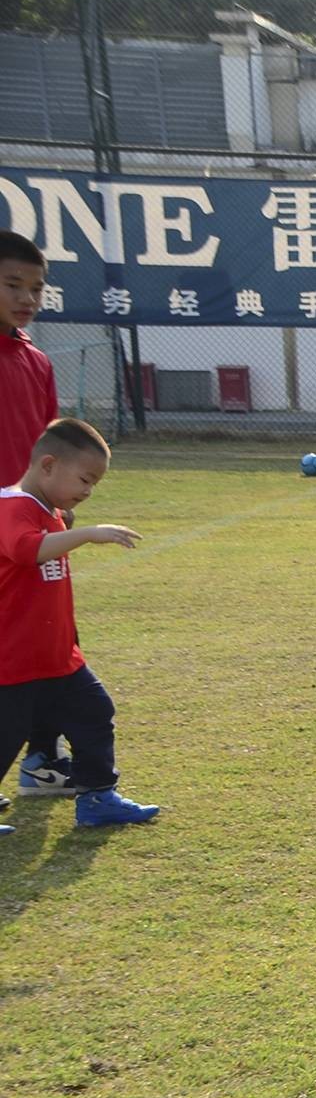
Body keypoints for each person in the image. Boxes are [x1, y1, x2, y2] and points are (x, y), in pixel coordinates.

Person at [1, 419, 160, 833]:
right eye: (85, 480)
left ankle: (97, 797)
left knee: (95, 711)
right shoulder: (13, 506)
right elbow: (24, 550)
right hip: (13, 661)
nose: (89, 492)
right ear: (48, 465)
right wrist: (88, 533)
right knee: (5, 736)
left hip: (57, 658)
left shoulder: (47, 510)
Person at [0, 232, 74, 810]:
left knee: (52, 639)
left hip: (37, 526)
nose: (27, 297)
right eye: (12, 285)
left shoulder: (36, 360)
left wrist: (61, 504)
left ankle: (43, 760)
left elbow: (51, 443)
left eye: (36, 287)